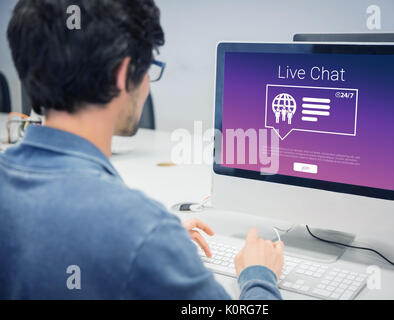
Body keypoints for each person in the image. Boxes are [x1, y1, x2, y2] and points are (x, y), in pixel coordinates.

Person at [0, 0, 284, 299]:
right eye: (149, 69)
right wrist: (259, 275)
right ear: (122, 74)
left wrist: (155, 246)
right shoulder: (143, 233)